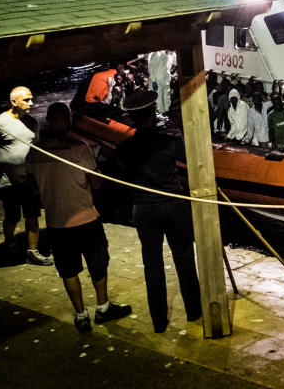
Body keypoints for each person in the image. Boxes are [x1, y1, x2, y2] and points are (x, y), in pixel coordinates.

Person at [28, 103, 131, 332]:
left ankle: (80, 314)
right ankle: (103, 307)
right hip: (85, 218)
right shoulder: (79, 148)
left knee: (68, 269)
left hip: (56, 222)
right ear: (66, 120)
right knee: (98, 263)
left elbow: (34, 187)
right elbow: (96, 183)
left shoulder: (34, 152)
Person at [116, 90, 201, 333]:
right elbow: (188, 157)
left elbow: (122, 174)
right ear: (153, 114)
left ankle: (159, 321)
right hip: (172, 205)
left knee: (152, 264)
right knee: (184, 257)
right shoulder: (168, 141)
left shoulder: (124, 149)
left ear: (131, 118)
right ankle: (194, 311)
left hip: (144, 208)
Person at [0, 86, 52, 265]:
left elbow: (36, 150)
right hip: (9, 181)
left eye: (31, 99)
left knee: (33, 215)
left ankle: (32, 251)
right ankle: (9, 242)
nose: (32, 103)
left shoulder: (32, 123)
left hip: (29, 179)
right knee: (12, 216)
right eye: (26, 100)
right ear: (14, 102)